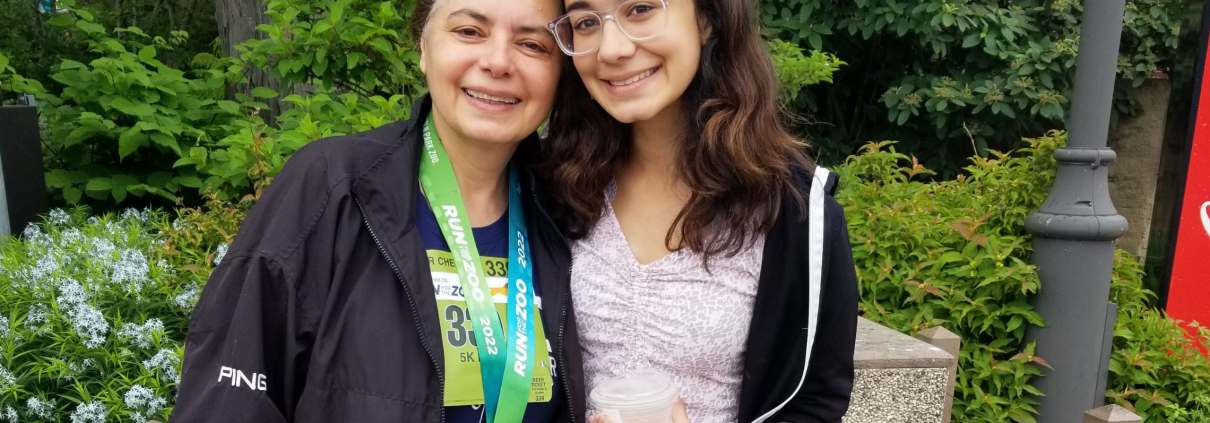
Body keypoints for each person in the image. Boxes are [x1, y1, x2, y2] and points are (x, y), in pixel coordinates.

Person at [168, 0, 588, 421]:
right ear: (424, 47)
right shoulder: (330, 189)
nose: (498, 62)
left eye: (532, 45)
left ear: (560, 74)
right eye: (468, 32)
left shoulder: (570, 213)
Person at [540, 0, 859, 421]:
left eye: (639, 9)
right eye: (585, 22)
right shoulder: (549, 186)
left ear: (707, 20)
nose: (610, 49)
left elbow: (816, 403)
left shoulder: (797, 216)